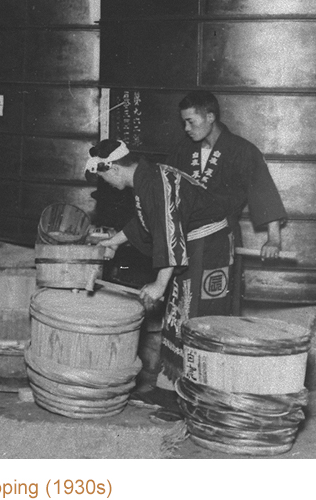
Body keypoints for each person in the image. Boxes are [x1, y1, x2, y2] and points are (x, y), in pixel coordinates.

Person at [87, 139, 232, 422]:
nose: (104, 182)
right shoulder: (146, 177)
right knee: (177, 317)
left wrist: (159, 284)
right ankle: (169, 390)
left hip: (206, 248)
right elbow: (146, 222)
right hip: (192, 246)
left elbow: (168, 232)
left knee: (194, 321)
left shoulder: (151, 183)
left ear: (114, 168)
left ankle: (193, 402)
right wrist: (115, 242)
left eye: (102, 175)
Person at [166, 91, 287, 313]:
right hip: (185, 240)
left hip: (221, 239)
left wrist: (274, 240)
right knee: (182, 305)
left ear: (210, 116)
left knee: (215, 304)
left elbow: (263, 191)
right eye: (184, 122)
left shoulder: (242, 150)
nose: (186, 129)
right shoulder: (183, 149)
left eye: (191, 122)